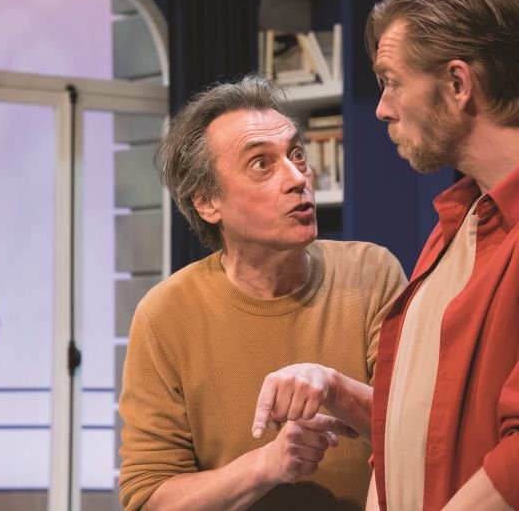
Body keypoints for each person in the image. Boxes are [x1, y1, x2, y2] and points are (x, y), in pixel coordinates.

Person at [251, 0, 519, 509]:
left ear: (457, 83)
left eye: (391, 82)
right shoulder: (462, 220)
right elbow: (437, 426)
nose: (382, 108)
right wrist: (340, 392)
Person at [116, 75, 407, 510]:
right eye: (261, 164)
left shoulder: (371, 272)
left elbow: (420, 429)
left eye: (296, 155)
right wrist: (267, 465)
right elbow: (148, 499)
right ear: (206, 202)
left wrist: (333, 388)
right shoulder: (165, 315)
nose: (297, 178)